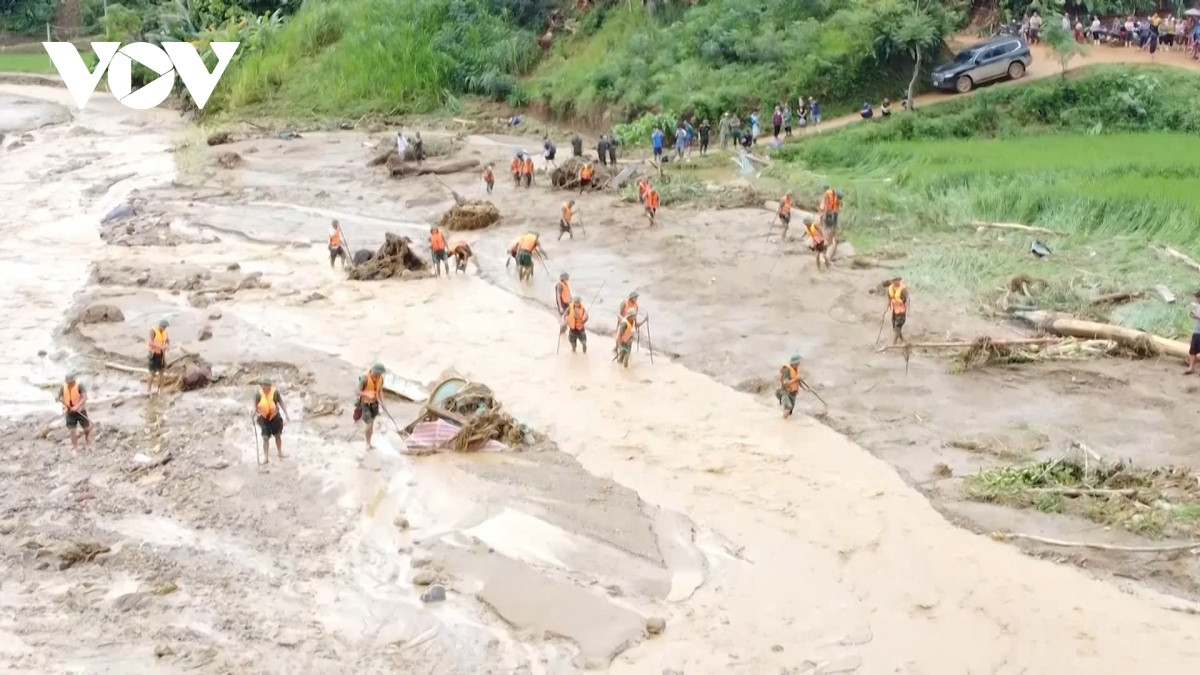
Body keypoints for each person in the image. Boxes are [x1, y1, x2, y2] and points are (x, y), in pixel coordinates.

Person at [253, 377, 289, 463]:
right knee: (265, 438)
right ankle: (266, 457)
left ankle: (280, 452)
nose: (263, 386)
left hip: (274, 416)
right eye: (262, 385)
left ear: (269, 385)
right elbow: (255, 405)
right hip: (263, 417)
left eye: (265, 385)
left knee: (278, 435)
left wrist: (286, 413)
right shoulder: (258, 394)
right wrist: (253, 413)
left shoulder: (275, 392)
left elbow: (281, 402)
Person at [357, 363, 389, 451]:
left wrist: (383, 403)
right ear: (375, 371)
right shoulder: (364, 379)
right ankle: (367, 443)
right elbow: (357, 391)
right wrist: (367, 394)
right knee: (369, 424)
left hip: (375, 404)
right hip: (366, 404)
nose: (380, 375)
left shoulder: (380, 379)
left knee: (372, 424)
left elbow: (380, 391)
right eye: (379, 373)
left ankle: (369, 442)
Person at [61, 372, 91, 451]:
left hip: (80, 411)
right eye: (67, 382)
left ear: (73, 380)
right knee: (72, 430)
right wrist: (57, 399)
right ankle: (75, 447)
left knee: (86, 429)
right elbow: (59, 396)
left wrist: (77, 406)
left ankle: (88, 443)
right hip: (69, 412)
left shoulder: (79, 386)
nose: (69, 383)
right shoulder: (63, 387)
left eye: (70, 382)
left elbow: (85, 397)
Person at [776, 354, 804, 419]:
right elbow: (785, 383)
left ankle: (786, 421)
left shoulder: (795, 369)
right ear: (794, 362)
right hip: (785, 392)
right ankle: (782, 422)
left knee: (790, 411)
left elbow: (797, 382)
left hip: (793, 393)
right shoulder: (786, 370)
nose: (798, 364)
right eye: (798, 363)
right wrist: (796, 379)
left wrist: (806, 388)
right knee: (788, 408)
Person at [147, 318, 170, 394]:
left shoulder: (164, 332)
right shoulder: (153, 331)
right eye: (163, 326)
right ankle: (149, 389)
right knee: (152, 372)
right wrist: (160, 347)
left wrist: (167, 345)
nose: (164, 328)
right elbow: (150, 342)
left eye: (165, 327)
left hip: (161, 355)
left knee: (161, 372)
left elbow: (167, 341)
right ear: (160, 325)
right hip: (153, 354)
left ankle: (161, 389)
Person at [886, 277, 910, 345]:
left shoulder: (903, 289)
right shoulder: (890, 288)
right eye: (893, 281)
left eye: (896, 280)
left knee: (898, 326)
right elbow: (889, 298)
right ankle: (903, 340)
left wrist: (907, 305)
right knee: (895, 327)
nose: (895, 282)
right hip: (895, 310)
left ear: (899, 281)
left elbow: (907, 298)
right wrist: (886, 308)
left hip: (902, 311)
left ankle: (894, 343)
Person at [819, 184, 841, 256]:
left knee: (827, 229)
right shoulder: (834, 195)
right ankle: (829, 242)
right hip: (833, 213)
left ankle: (828, 243)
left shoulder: (828, 194)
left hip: (829, 213)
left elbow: (826, 206)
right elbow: (836, 208)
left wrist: (823, 215)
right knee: (831, 229)